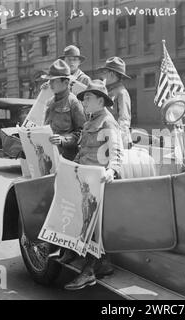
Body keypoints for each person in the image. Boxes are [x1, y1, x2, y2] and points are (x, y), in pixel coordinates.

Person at [63, 79, 123, 291]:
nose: (84, 102)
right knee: (83, 221)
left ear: (100, 100)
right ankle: (103, 265)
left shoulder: (107, 121)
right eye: (84, 98)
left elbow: (116, 150)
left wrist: (111, 170)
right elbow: (83, 152)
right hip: (85, 180)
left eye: (88, 98)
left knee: (90, 224)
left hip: (99, 181)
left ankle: (88, 272)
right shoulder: (89, 122)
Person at [41, 59, 86, 160]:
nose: (50, 84)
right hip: (50, 156)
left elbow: (82, 133)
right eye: (49, 80)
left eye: (54, 81)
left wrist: (63, 139)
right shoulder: (50, 102)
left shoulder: (73, 102)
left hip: (67, 158)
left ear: (66, 83)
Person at [97, 56, 133, 149]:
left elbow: (124, 120)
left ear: (112, 74)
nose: (102, 75)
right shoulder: (105, 91)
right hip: (104, 138)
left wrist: (117, 143)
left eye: (105, 72)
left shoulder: (122, 93)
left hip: (116, 141)